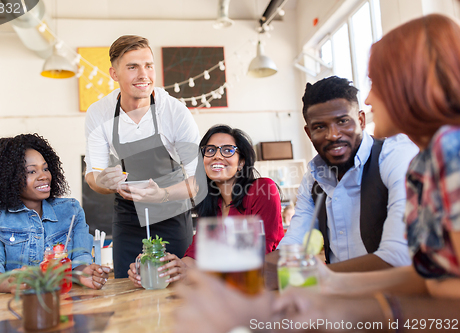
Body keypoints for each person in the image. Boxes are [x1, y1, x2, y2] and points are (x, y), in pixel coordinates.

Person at [174, 14, 460, 333]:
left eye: (377, 83)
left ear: (408, 86)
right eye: (320, 127)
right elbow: (432, 277)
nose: (369, 96)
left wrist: (321, 303)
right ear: (309, 132)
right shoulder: (423, 162)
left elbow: (405, 265)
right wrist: (321, 282)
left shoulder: (434, 153)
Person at [84, 35, 205, 278]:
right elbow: (92, 176)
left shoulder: (174, 112)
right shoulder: (99, 113)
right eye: (132, 67)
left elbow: (199, 180)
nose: (144, 75)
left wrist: (163, 194)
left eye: (149, 65)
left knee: (176, 285)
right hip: (129, 216)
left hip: (172, 212)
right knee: (127, 285)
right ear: (114, 73)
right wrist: (105, 184)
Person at [271, 76, 419, 272]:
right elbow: (294, 243)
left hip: (396, 299)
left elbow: (397, 257)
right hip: (340, 297)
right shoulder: (313, 177)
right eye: (320, 127)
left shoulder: (394, 156)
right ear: (309, 133)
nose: (333, 135)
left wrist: (315, 276)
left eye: (342, 121)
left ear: (361, 120)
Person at [128, 125, 284, 285]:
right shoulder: (209, 203)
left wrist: (196, 272)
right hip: (225, 292)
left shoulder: (263, 190)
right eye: (210, 150)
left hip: (265, 290)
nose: (217, 156)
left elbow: (258, 255)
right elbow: (195, 256)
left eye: (228, 150)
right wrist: (165, 269)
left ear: (241, 162)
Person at [0, 134, 110, 293]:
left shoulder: (71, 211)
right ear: (8, 178)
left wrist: (84, 274)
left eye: (45, 168)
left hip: (64, 303)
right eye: (32, 171)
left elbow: (79, 262)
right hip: (14, 307)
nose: (44, 176)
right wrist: (11, 283)